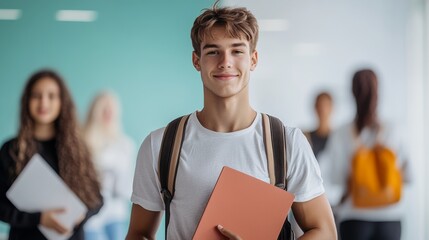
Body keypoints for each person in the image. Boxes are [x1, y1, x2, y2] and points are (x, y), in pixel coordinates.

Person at [126, 2, 337, 240]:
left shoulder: (287, 143)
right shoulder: (161, 145)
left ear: (253, 59)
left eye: (237, 51)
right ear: (197, 61)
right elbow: (138, 233)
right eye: (213, 51)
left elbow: (325, 232)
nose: (225, 61)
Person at [0, 69, 103, 240]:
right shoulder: (12, 150)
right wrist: (39, 219)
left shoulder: (77, 149)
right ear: (27, 101)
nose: (43, 102)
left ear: (62, 102)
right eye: (36, 96)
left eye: (51, 96)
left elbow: (98, 199)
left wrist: (81, 216)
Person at [318, 69, 411, 240]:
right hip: (390, 217)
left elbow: (336, 179)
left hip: (354, 217)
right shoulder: (394, 130)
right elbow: (410, 176)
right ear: (378, 91)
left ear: (352, 93)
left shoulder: (341, 133)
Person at [83, 91, 135, 240]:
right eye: (103, 109)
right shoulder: (83, 143)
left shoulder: (126, 144)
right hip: (91, 216)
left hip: (116, 214)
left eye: (111, 110)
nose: (108, 114)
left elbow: (128, 189)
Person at [304, 92, 333, 159]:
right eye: (320, 106)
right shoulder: (306, 138)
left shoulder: (337, 138)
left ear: (331, 108)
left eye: (326, 106)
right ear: (315, 108)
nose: (323, 110)